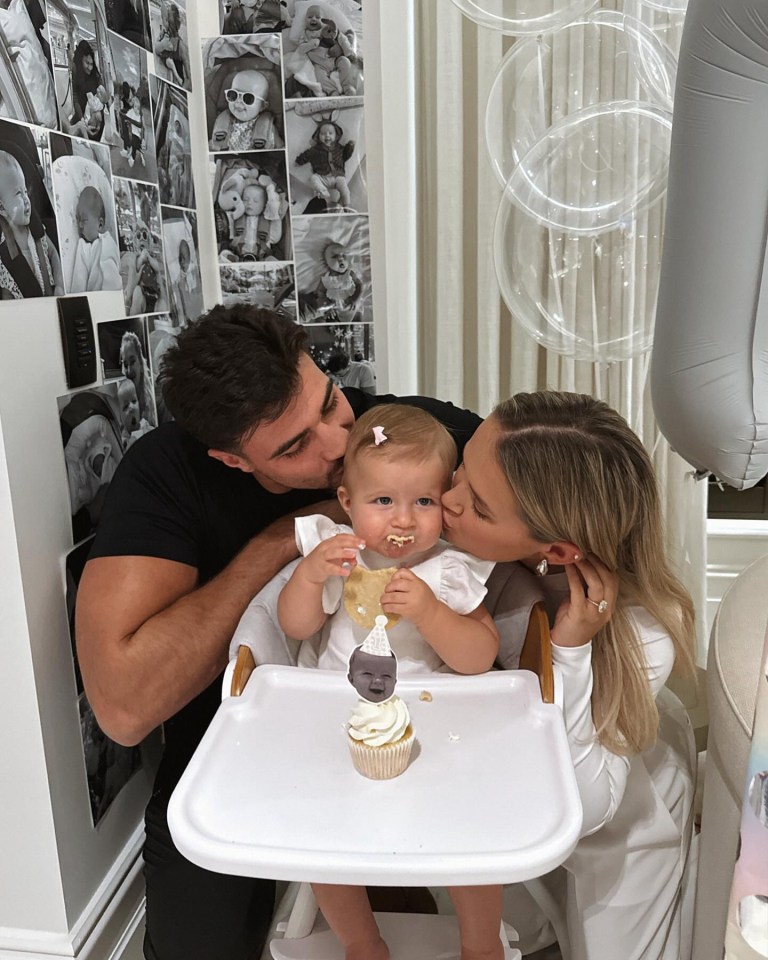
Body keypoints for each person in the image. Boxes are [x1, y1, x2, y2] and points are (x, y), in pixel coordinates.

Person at [75, 305, 481, 960]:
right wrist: (282, 541)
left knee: (416, 882)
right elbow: (123, 709)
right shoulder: (167, 473)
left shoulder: (398, 434)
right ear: (232, 461)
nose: (333, 445)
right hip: (228, 727)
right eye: (293, 447)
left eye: (328, 403)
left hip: (411, 701)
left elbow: (560, 488)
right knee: (196, 939)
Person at [439, 391, 697, 960]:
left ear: (557, 550)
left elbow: (584, 808)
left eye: (478, 507)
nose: (446, 500)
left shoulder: (644, 628)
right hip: (509, 798)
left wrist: (572, 654)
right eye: (459, 470)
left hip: (615, 821)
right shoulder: (464, 554)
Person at [271, 403, 500, 960]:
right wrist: (308, 577)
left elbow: (480, 657)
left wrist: (431, 614)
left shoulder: (448, 569)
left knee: (472, 835)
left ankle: (481, 945)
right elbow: (296, 627)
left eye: (423, 501)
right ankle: (362, 942)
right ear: (347, 503)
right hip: (337, 716)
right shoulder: (338, 556)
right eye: (383, 501)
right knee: (317, 841)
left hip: (434, 721)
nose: (403, 521)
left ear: (445, 498)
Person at [0, 149, 64, 298]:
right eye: (18, 194)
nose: (26, 199)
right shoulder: (3, 244)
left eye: (25, 191)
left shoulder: (36, 230)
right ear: (2, 208)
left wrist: (60, 286)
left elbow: (53, 254)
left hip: (50, 297)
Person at [209, 68, 283, 152]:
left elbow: (281, 148)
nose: (239, 101)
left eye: (248, 98)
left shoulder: (268, 129)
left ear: (262, 106)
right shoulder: (222, 123)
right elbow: (211, 145)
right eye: (233, 95)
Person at [70, 185, 121, 292]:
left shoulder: (110, 242)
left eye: (83, 220)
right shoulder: (83, 247)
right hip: (97, 300)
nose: (79, 225)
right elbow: (78, 283)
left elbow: (117, 266)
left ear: (100, 224)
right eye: (78, 219)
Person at [295, 118, 354, 210]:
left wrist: (350, 146)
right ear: (318, 136)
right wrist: (299, 160)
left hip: (337, 176)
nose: (327, 136)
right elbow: (306, 155)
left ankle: (347, 206)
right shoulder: (315, 150)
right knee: (313, 178)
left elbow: (346, 155)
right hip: (322, 177)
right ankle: (324, 193)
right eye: (323, 134)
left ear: (336, 136)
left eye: (330, 133)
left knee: (345, 189)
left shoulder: (339, 148)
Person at [68, 39, 104, 140]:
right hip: (81, 117)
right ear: (80, 61)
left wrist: (99, 117)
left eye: (91, 64)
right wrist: (82, 121)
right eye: (87, 63)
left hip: (96, 117)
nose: (90, 68)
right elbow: (75, 99)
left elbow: (102, 96)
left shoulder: (96, 75)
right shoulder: (75, 72)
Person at [119, 330, 155, 428]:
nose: (129, 371)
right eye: (125, 365)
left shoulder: (155, 397)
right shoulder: (121, 398)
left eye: (132, 361)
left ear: (140, 361)